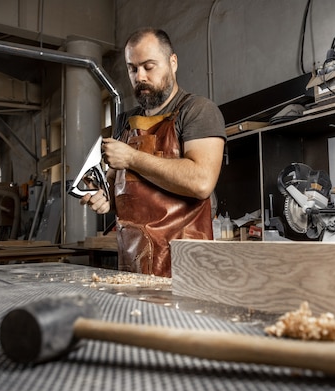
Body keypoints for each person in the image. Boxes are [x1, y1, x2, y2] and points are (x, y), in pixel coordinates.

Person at [80, 27, 226, 278]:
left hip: (185, 269)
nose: (140, 77)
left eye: (149, 66)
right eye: (132, 69)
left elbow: (201, 181)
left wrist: (133, 158)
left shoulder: (198, 111)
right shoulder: (126, 122)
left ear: (173, 62)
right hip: (132, 265)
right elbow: (121, 191)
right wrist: (104, 197)